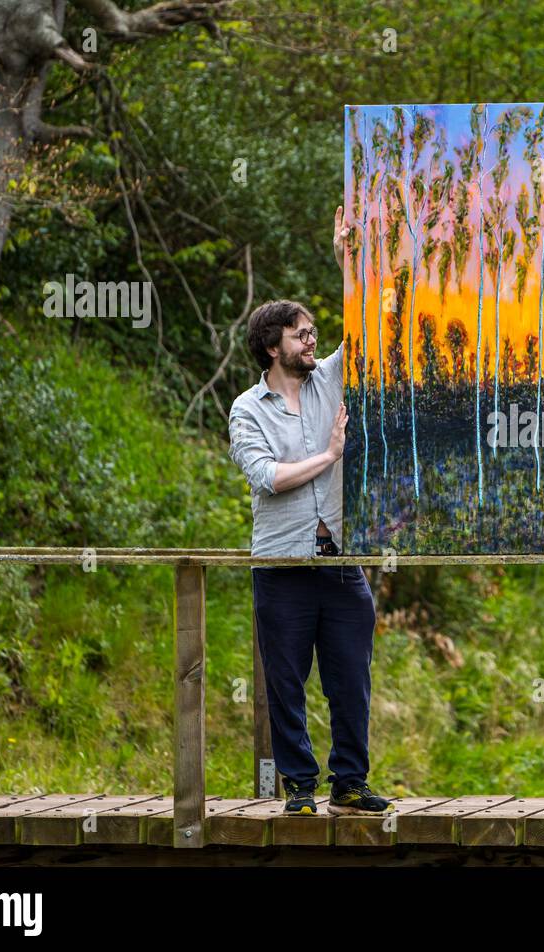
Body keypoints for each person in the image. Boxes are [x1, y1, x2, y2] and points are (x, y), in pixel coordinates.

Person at [225, 207, 392, 816]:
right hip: (281, 564)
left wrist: (348, 260)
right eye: (300, 334)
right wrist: (329, 456)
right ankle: (300, 789)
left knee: (351, 679)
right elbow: (268, 478)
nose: (311, 340)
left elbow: (373, 323)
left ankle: (349, 782)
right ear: (273, 346)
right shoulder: (248, 408)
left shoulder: (329, 380)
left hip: (340, 562)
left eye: (314, 331)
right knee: (285, 684)